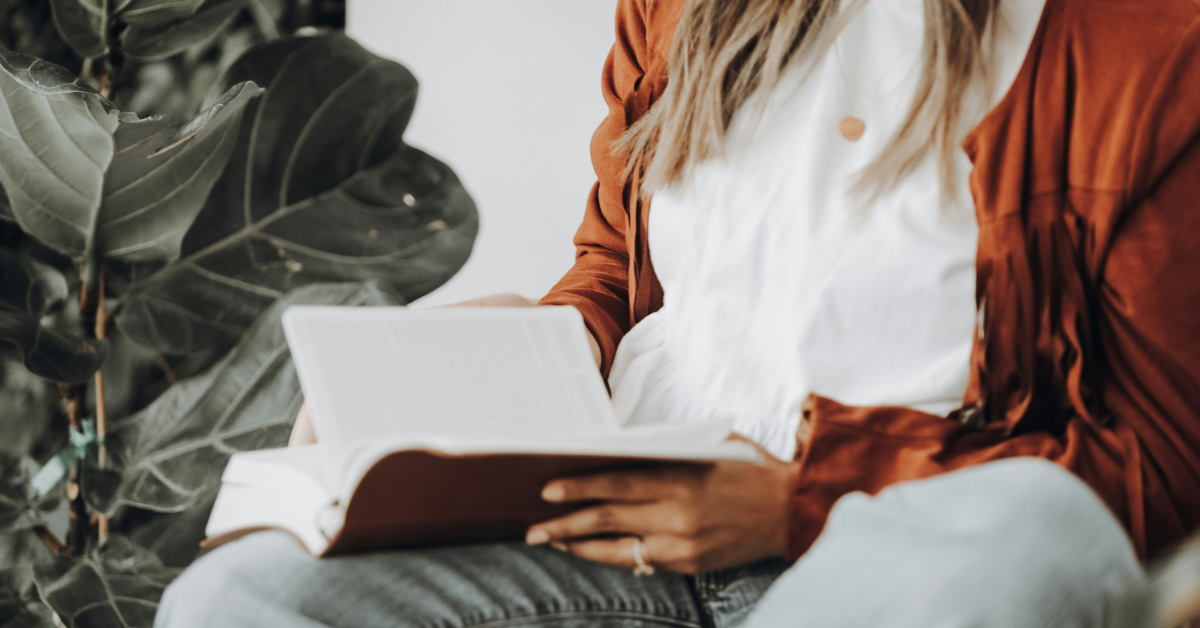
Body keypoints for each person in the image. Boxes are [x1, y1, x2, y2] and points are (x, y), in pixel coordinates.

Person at [156, 0, 1200, 625]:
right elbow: (618, 272)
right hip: (615, 529)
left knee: (1033, 534)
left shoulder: (1143, 48)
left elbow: (1158, 455)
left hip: (892, 567)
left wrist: (800, 499)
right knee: (239, 602)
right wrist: (496, 354)